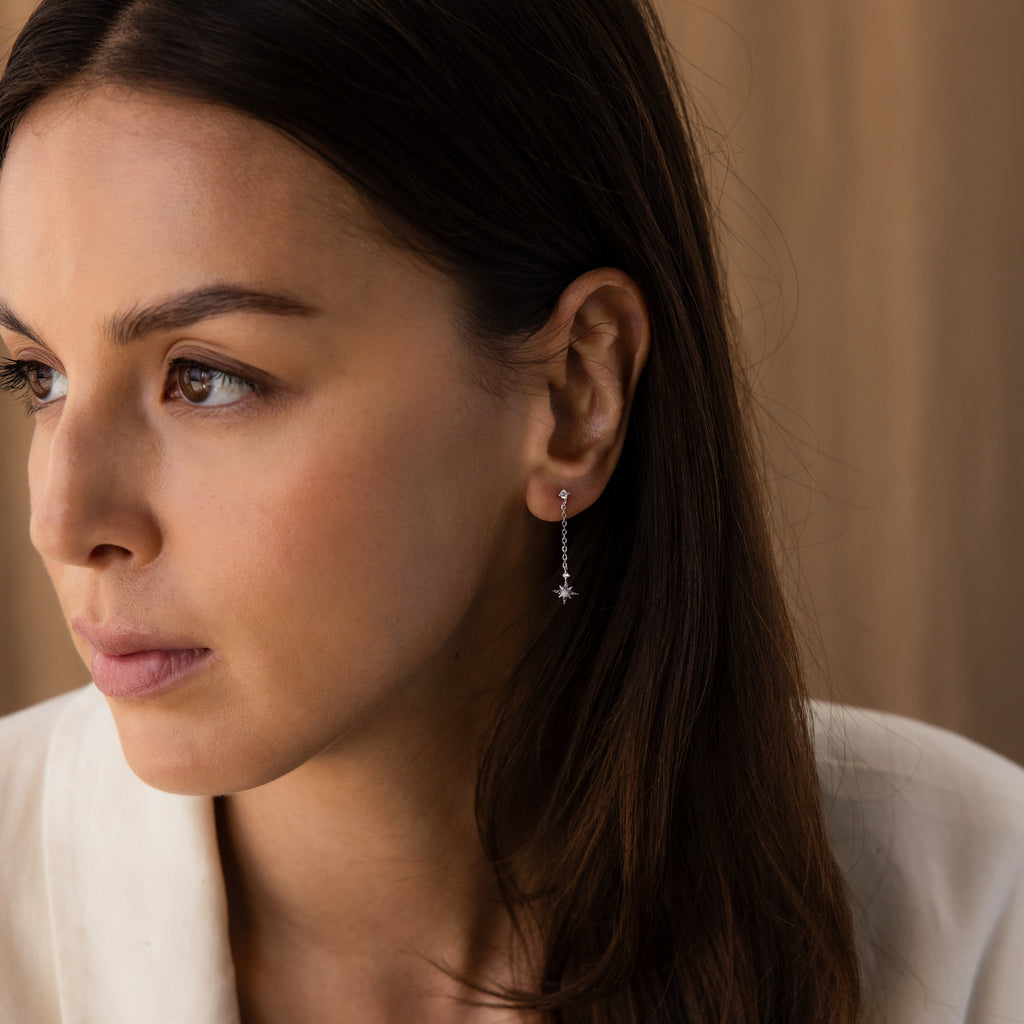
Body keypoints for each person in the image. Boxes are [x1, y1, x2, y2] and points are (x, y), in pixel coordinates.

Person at [0, 1, 1021, 1021]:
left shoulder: (983, 917)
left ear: (577, 390)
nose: (62, 515)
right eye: (36, 376)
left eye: (208, 378)